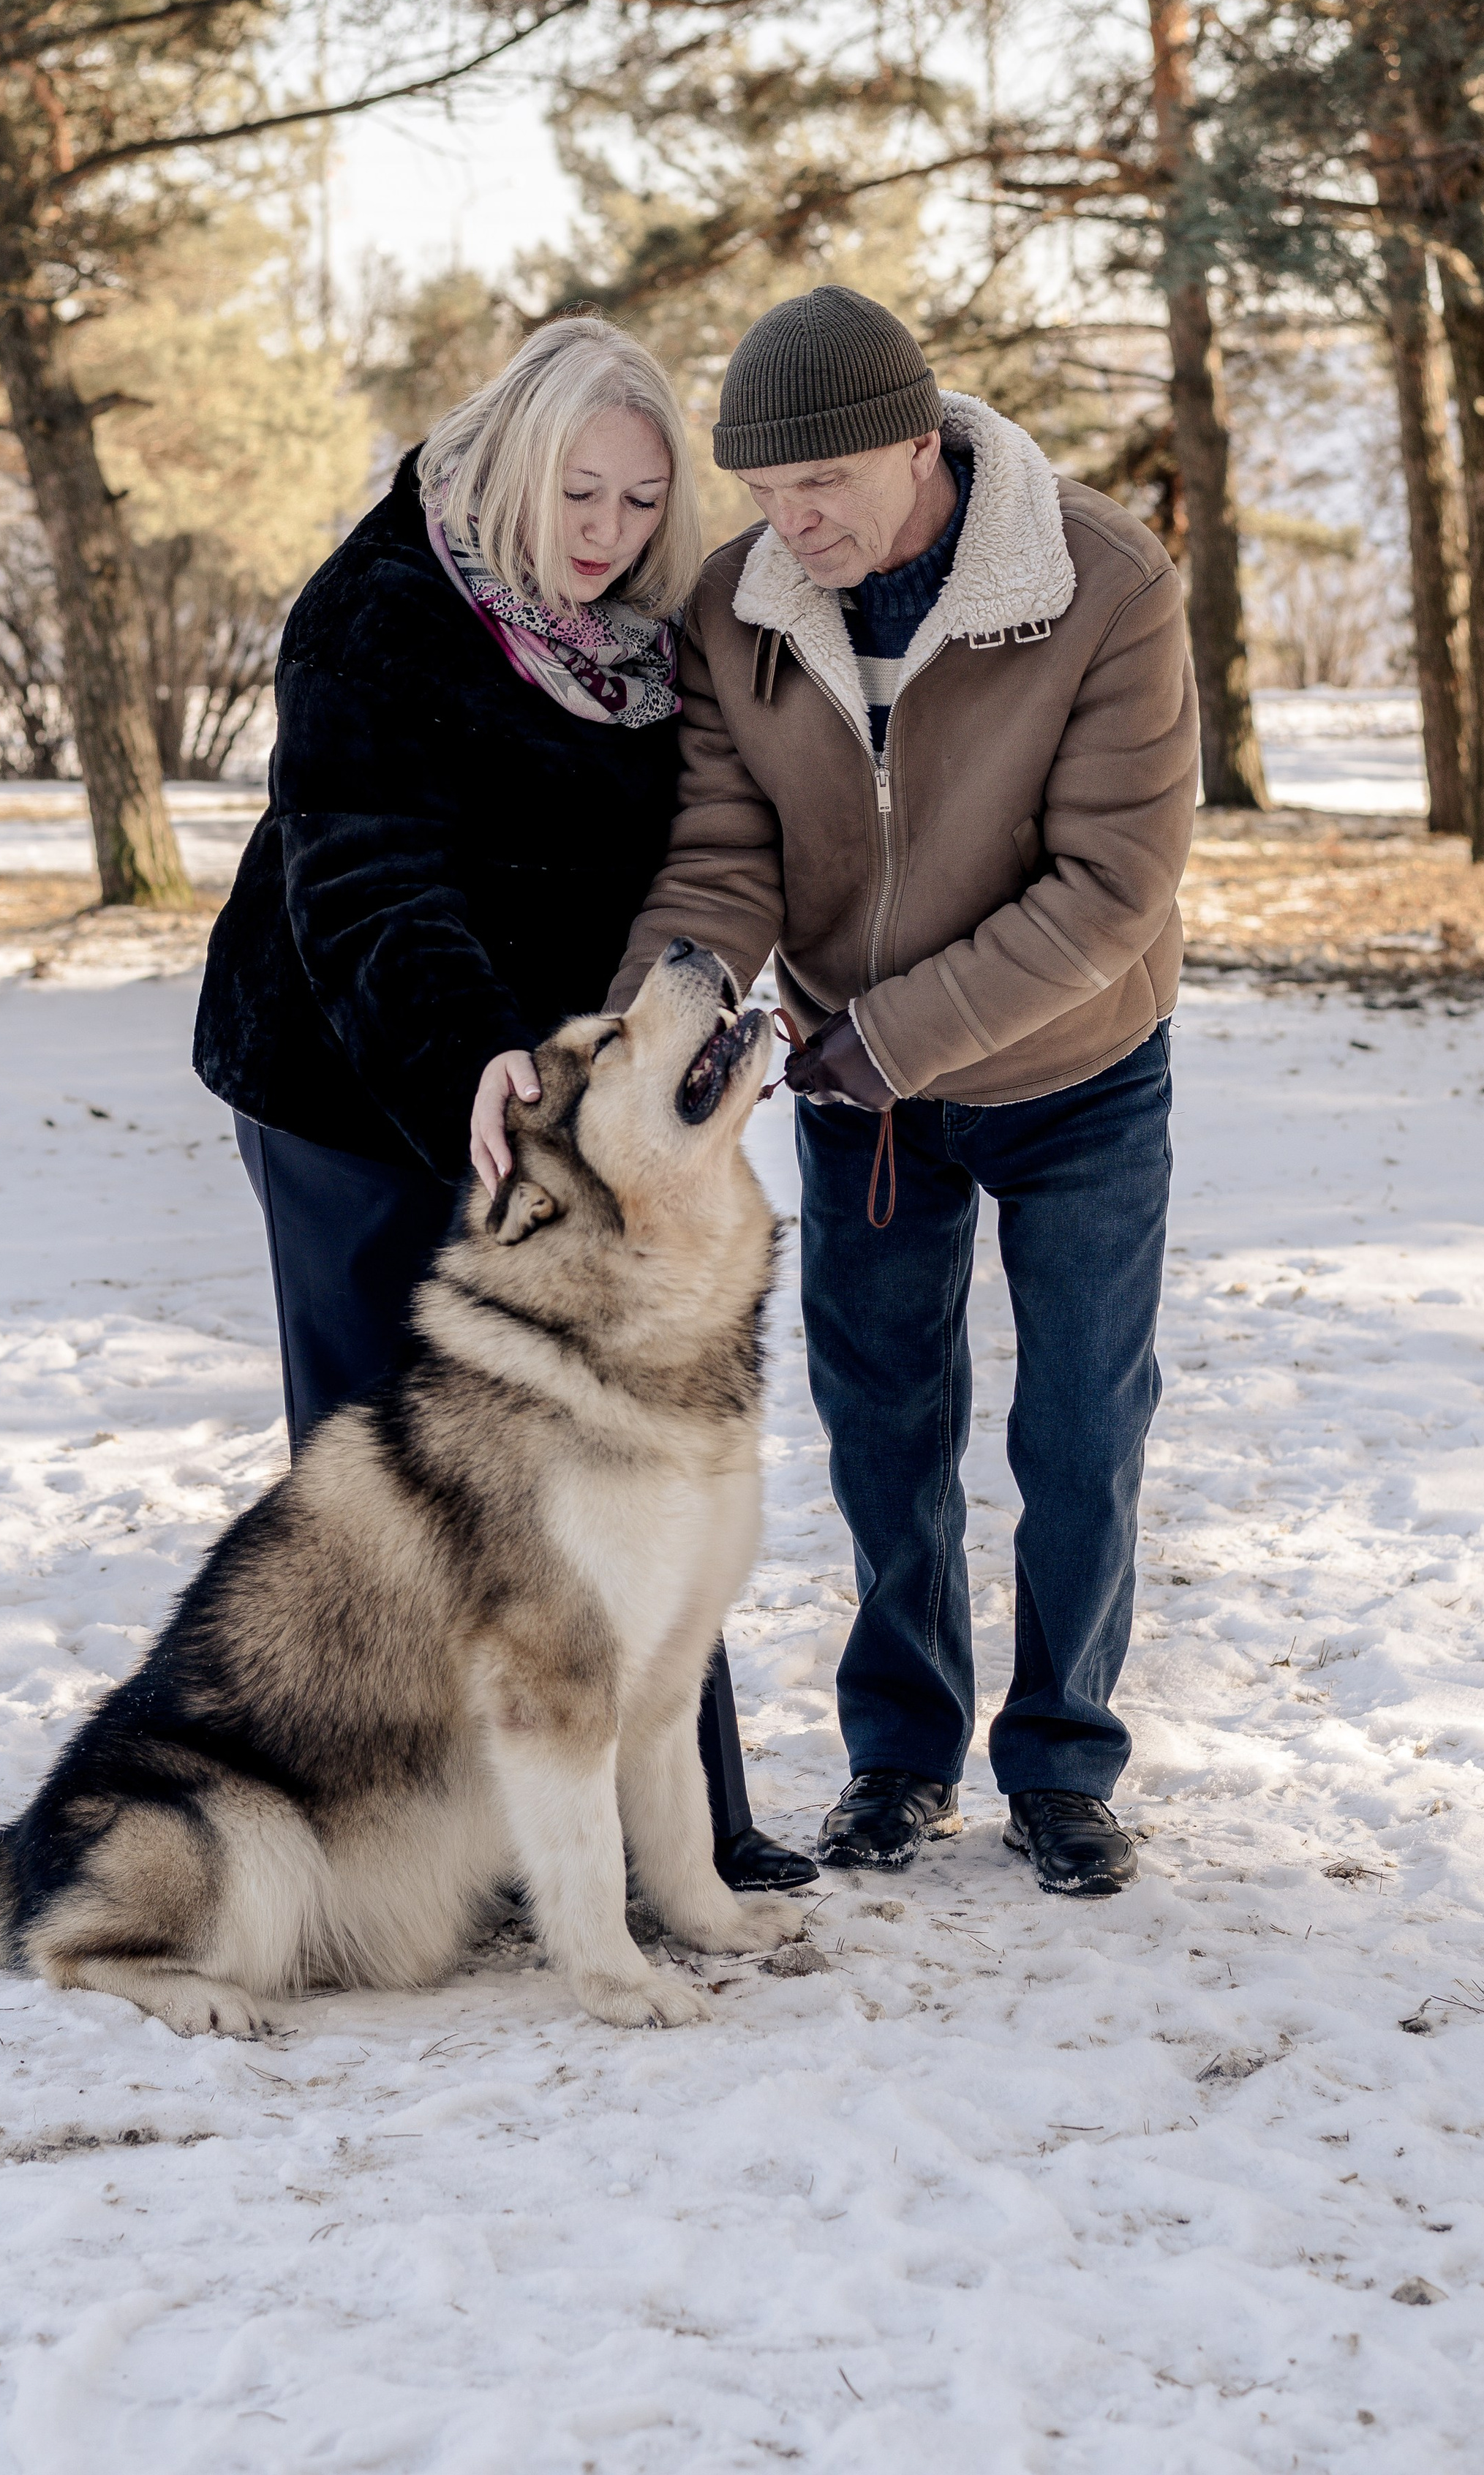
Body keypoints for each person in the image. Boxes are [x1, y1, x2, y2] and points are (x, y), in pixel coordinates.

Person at [474, 287, 1198, 1898]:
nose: (788, 529)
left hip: (1075, 1068)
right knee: (884, 1426)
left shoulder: (1099, 580)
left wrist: (882, 1033)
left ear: (917, 443)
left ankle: (1063, 1762)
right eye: (760, 498)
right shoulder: (742, 606)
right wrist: (638, 1035)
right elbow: (723, 857)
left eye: (822, 491)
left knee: (1079, 1422)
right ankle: (898, 1756)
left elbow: (1111, 884)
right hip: (859, 1089)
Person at [194, 315, 817, 1895]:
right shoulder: (380, 606)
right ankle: (408, 1848)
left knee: (633, 1436)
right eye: (577, 496)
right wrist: (467, 1047)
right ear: (514, 466)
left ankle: (686, 1837)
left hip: (560, 1105)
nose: (604, 536)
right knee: (399, 1480)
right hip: (358, 1071)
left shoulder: (648, 637)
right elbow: (364, 862)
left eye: (635, 501)